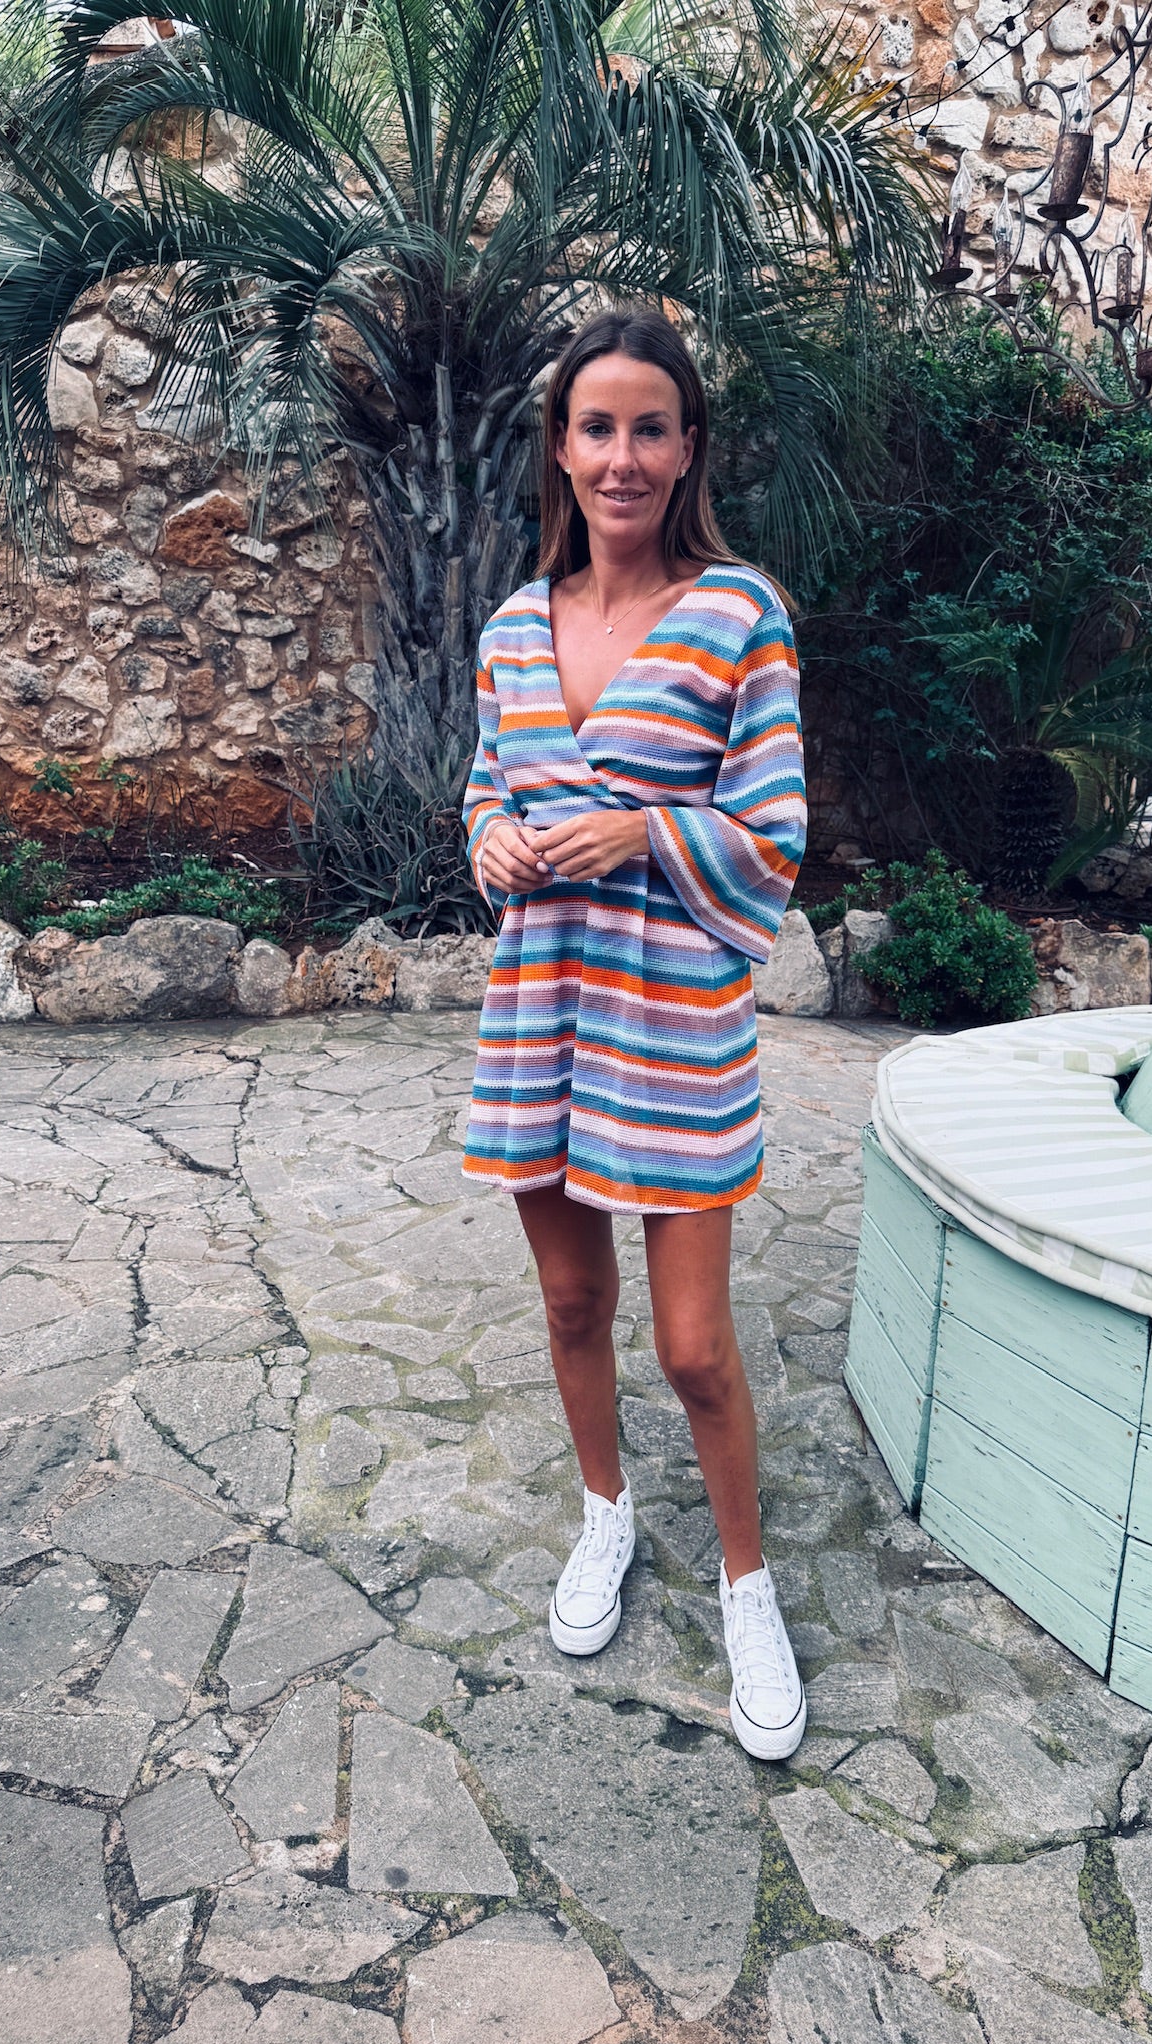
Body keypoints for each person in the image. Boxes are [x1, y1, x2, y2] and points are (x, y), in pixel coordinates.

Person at [460, 307, 809, 1761]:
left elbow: (775, 837)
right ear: (561, 447)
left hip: (671, 1021)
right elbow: (488, 787)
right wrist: (491, 841)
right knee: (568, 1305)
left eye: (649, 428)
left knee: (695, 1349)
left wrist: (644, 831)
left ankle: (746, 1582)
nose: (622, 457)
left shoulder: (739, 617)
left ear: (687, 448)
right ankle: (605, 1513)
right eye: (596, 427)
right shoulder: (510, 628)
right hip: (542, 1008)